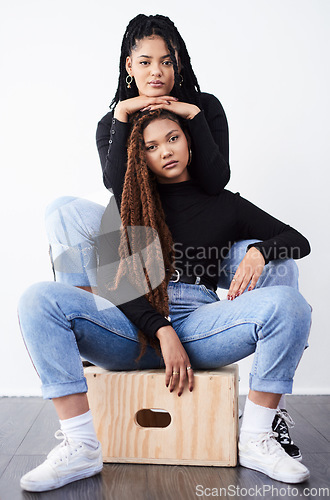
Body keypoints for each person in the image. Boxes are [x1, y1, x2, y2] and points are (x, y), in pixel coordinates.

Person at [18, 108, 311, 491]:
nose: (166, 151)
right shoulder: (125, 207)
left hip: (201, 323)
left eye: (173, 138)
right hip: (129, 328)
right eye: (152, 147)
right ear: (141, 157)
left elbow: (297, 239)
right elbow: (117, 287)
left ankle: (256, 438)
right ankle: (81, 445)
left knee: (290, 305)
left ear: (189, 141)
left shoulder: (225, 203)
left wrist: (260, 252)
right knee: (38, 298)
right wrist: (162, 332)